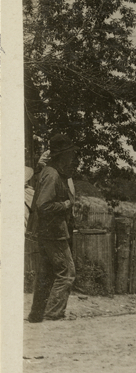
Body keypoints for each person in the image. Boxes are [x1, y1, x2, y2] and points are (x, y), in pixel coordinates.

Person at [26, 134, 78, 323]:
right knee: (66, 273)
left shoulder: (50, 172)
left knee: (46, 274)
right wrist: (64, 205)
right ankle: (53, 314)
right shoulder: (52, 174)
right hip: (53, 232)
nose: (71, 158)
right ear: (61, 156)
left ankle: (37, 314)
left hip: (48, 231)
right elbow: (43, 205)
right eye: (69, 154)